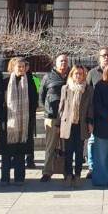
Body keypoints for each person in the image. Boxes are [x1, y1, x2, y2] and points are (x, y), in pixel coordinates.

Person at [0, 57, 38, 186]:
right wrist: (3, 116)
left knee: (21, 151)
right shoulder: (5, 82)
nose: (21, 69)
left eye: (23, 66)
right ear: (12, 67)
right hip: (8, 122)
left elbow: (34, 101)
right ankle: (5, 178)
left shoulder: (30, 82)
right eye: (19, 66)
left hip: (24, 122)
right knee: (6, 153)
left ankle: (19, 177)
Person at [58, 66, 94, 187]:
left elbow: (90, 107)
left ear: (84, 75)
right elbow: (61, 106)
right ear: (72, 75)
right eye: (76, 74)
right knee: (68, 151)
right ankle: (68, 174)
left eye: (81, 74)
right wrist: (59, 123)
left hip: (81, 124)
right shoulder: (66, 88)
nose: (78, 76)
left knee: (79, 152)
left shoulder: (88, 89)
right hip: (67, 124)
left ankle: (77, 174)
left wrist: (90, 122)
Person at [40, 54, 69, 182]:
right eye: (61, 61)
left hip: (67, 116)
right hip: (51, 116)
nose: (64, 63)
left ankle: (66, 170)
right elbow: (41, 97)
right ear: (55, 63)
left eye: (66, 61)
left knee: (66, 146)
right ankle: (47, 172)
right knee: (50, 145)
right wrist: (47, 111)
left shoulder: (71, 76)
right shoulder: (48, 77)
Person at [87, 47, 108, 179]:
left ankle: (106, 167)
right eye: (103, 55)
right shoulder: (92, 73)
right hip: (96, 113)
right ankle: (92, 167)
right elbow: (87, 93)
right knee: (92, 141)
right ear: (99, 58)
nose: (106, 57)